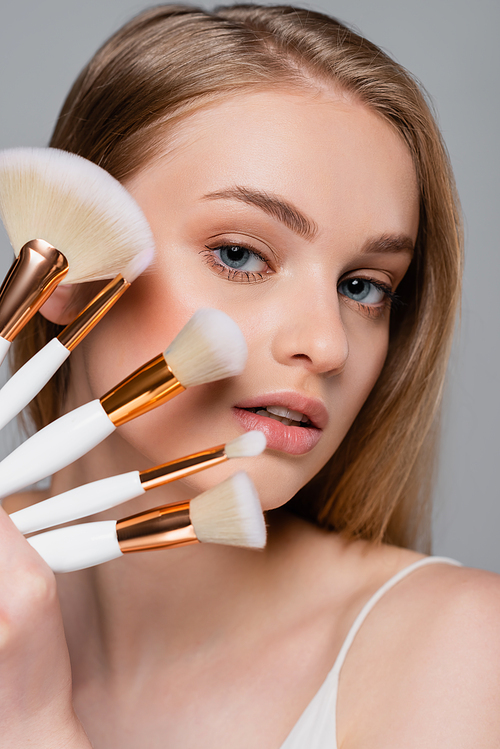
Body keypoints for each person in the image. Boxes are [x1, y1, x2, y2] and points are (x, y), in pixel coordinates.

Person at [1, 4, 499, 747]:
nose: (326, 345)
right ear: (69, 264)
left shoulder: (460, 648)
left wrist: (33, 722)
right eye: (240, 253)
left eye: (364, 286)